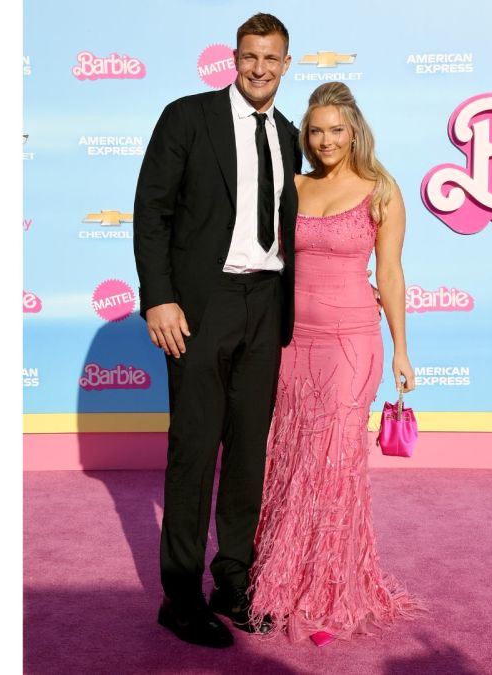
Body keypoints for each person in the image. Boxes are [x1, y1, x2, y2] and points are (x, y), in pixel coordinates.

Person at [132, 13, 301, 648]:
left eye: (272, 58)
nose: (260, 68)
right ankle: (180, 596)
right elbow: (152, 211)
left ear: (287, 64)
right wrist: (160, 299)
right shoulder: (188, 116)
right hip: (201, 309)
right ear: (234, 57)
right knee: (195, 451)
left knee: (248, 455)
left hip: (266, 304)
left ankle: (234, 584)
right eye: (250, 56)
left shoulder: (287, 136)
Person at [246, 81, 423, 645]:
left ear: (355, 132)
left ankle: (328, 588)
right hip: (291, 342)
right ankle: (281, 583)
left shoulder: (381, 190)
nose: (325, 140)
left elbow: (390, 274)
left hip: (351, 343)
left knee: (332, 463)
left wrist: (401, 347)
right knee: (289, 459)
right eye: (316, 130)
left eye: (336, 130)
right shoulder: (291, 187)